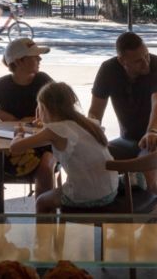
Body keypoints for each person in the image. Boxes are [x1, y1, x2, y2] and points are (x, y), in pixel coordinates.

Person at [88, 32, 157, 191]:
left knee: (147, 167)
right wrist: (90, 137)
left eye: (146, 56)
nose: (146, 63)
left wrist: (153, 131)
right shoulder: (108, 70)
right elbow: (95, 113)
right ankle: (110, 209)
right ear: (122, 61)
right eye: (138, 61)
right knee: (94, 159)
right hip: (129, 140)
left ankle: (154, 213)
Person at [9, 82, 119, 214]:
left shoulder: (56, 129)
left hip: (88, 195)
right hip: (110, 188)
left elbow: (15, 148)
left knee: (41, 201)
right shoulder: (86, 122)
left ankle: (43, 235)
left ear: (44, 108)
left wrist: (19, 134)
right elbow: (51, 137)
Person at [0, 38, 56, 194]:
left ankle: (44, 216)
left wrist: (37, 117)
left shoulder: (43, 80)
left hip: (42, 142)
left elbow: (60, 108)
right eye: (35, 56)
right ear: (19, 62)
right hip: (7, 143)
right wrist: (1, 115)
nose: (40, 59)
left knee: (45, 168)